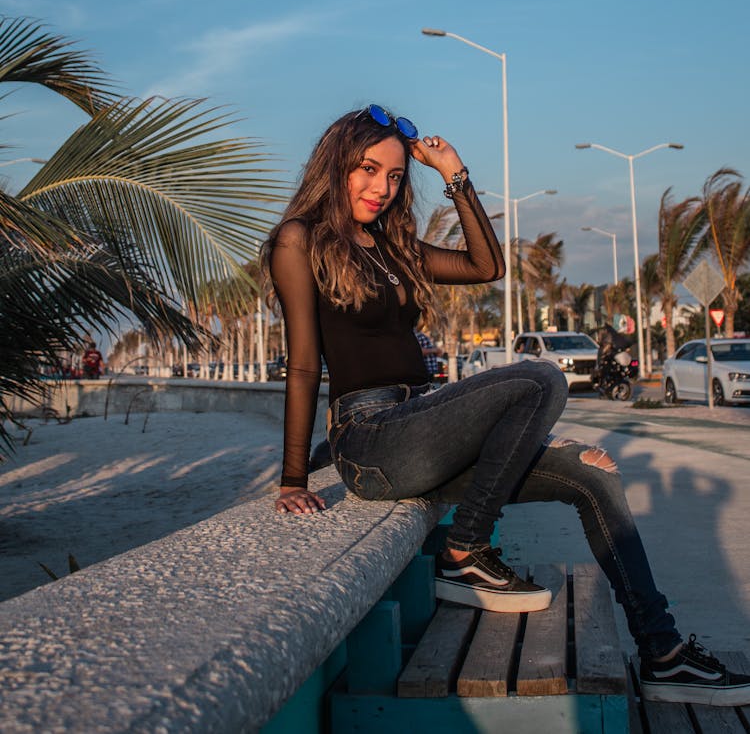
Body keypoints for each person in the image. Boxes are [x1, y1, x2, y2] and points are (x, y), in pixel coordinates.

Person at [264, 105, 750, 706]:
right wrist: (291, 478)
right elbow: (305, 363)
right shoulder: (300, 239)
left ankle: (664, 654)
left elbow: (484, 266)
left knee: (592, 477)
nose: (381, 188)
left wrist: (456, 174)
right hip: (372, 436)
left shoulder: (393, 248)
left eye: (393, 177)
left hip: (425, 425)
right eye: (367, 170)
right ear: (336, 164)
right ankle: (465, 549)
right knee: (542, 376)